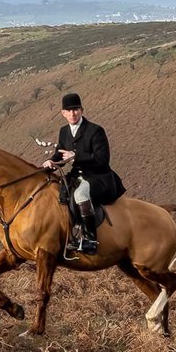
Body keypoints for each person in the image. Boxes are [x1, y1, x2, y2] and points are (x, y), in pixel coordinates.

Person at [41, 93, 125, 255]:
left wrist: (76, 157)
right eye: (69, 110)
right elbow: (60, 153)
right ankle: (67, 235)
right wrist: (51, 162)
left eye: (76, 109)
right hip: (76, 176)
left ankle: (90, 240)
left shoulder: (96, 130)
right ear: (63, 113)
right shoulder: (64, 131)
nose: (73, 113)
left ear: (81, 110)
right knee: (57, 193)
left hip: (98, 176)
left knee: (80, 195)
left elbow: (103, 159)